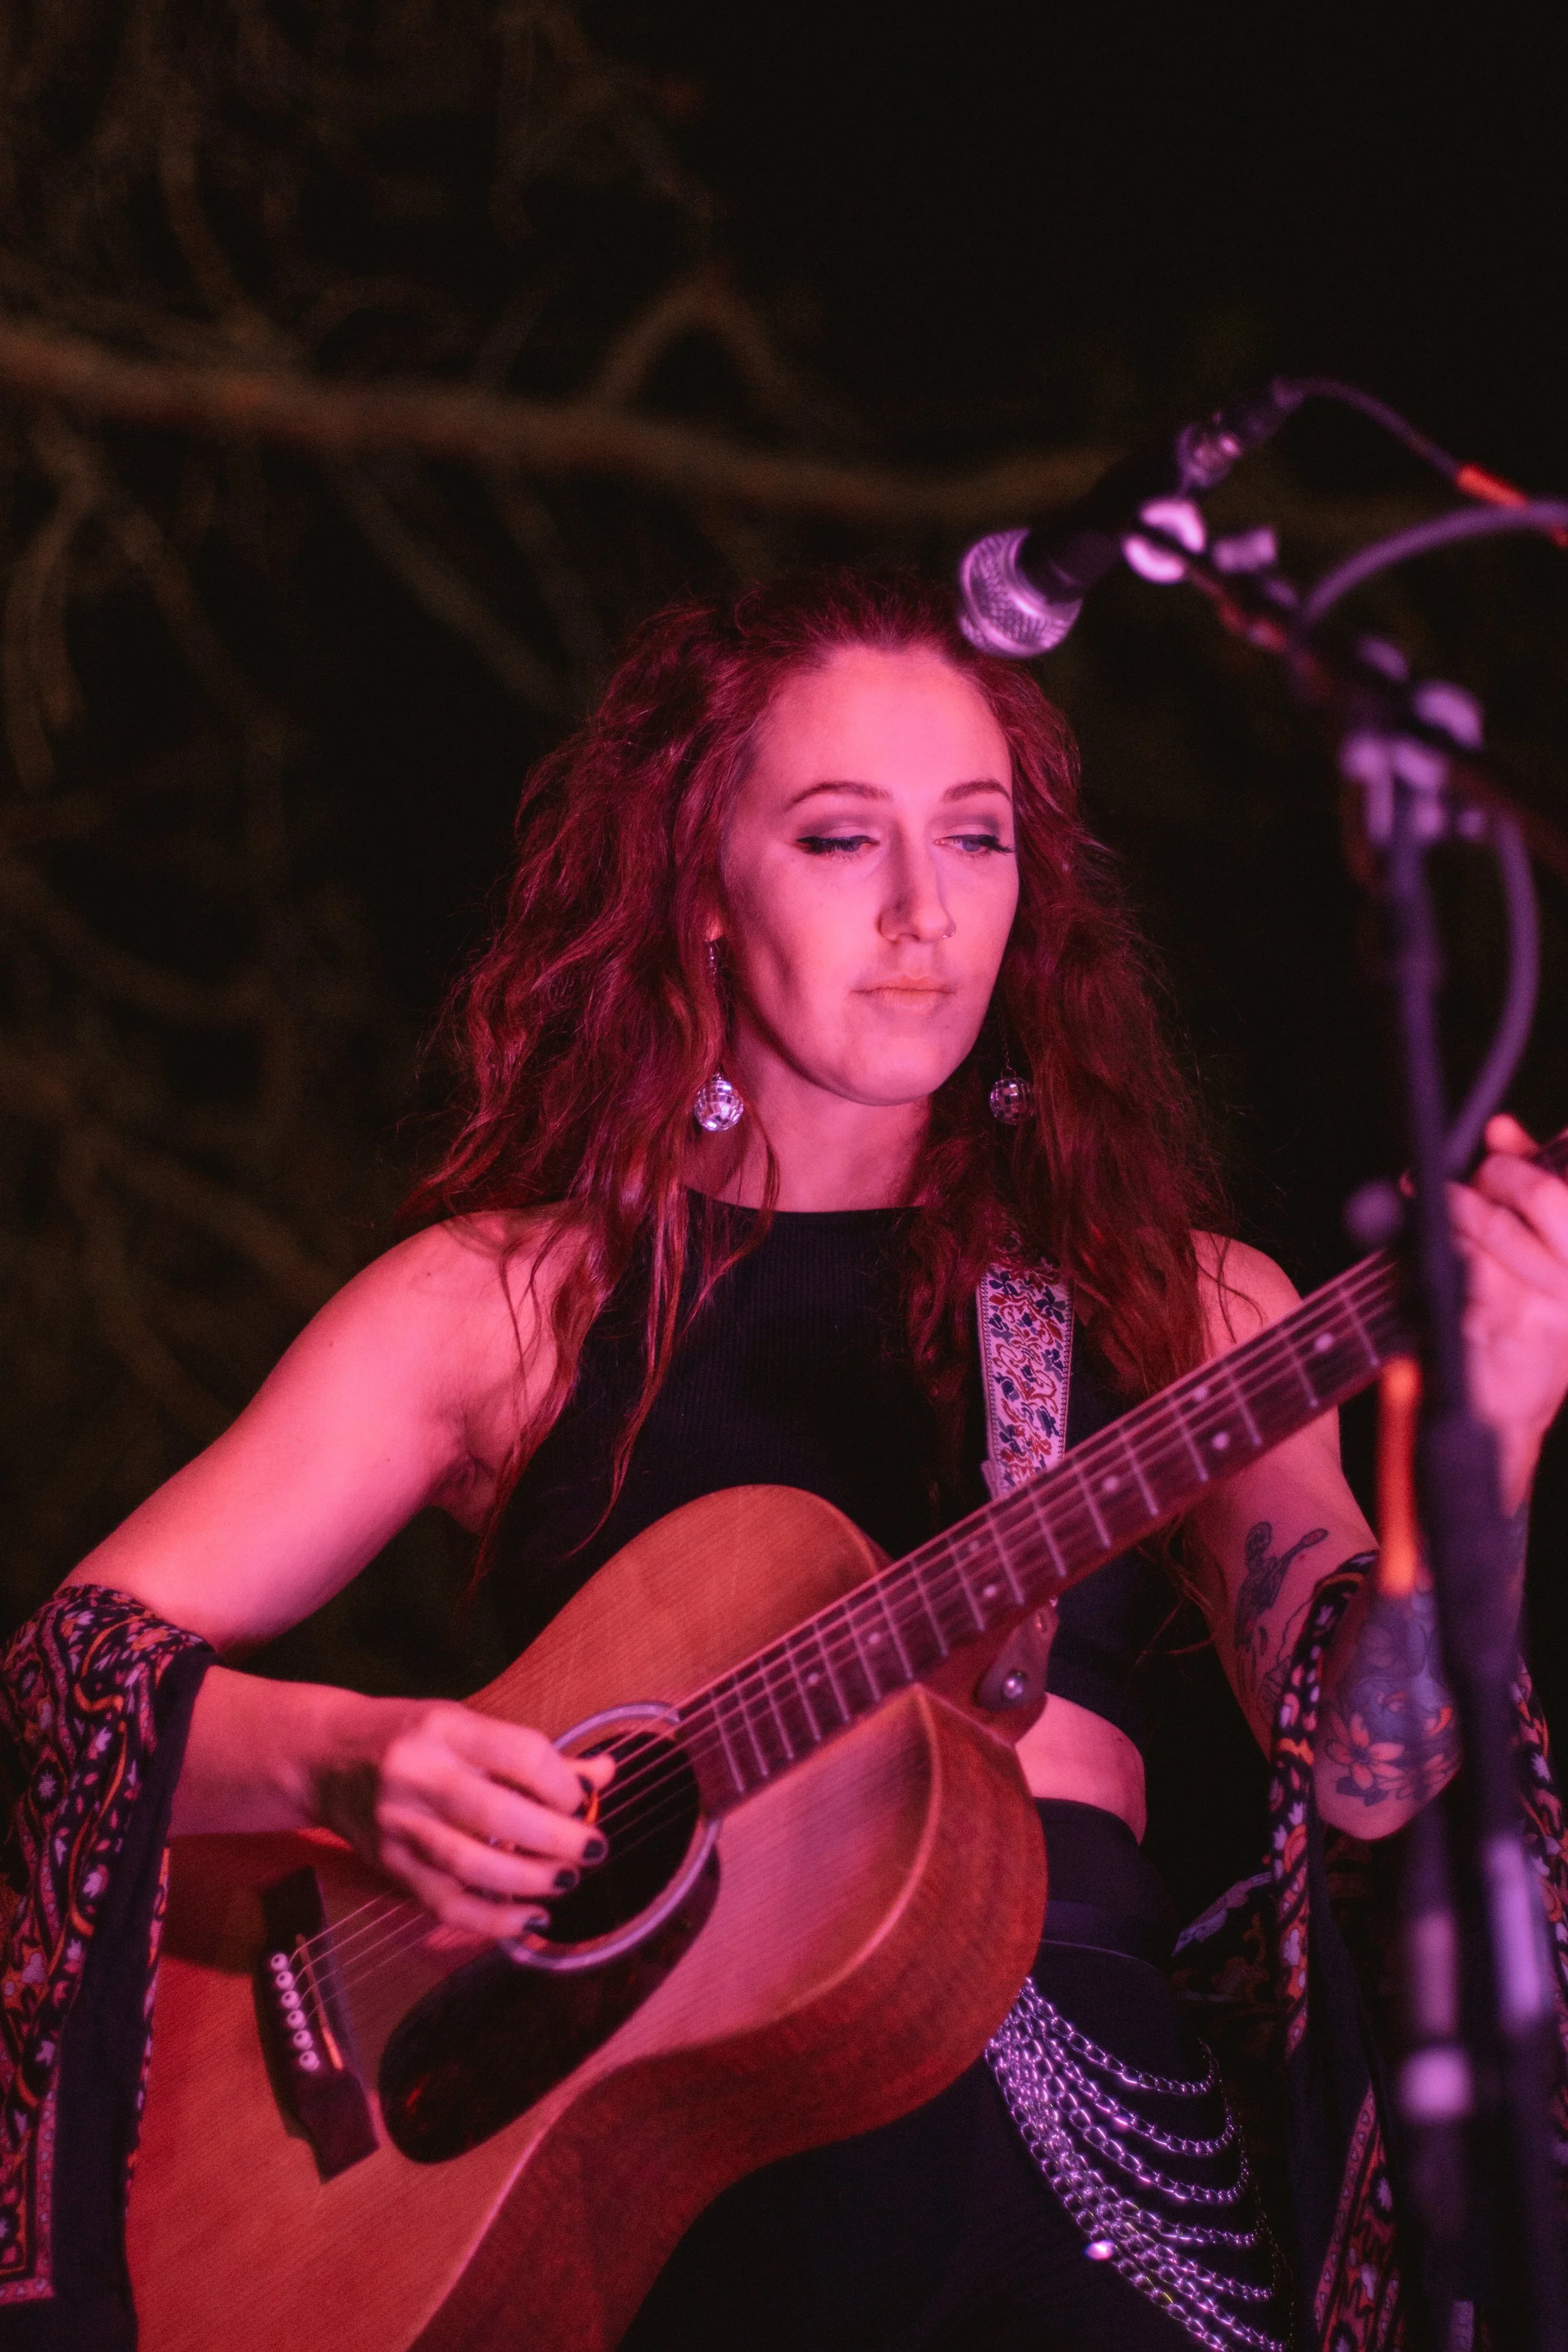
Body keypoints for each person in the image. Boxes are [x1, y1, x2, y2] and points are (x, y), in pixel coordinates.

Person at [60, 568, 1568, 2349]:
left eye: (980, 838)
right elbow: (65, 1683)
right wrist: (352, 1754)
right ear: (698, 887)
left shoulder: (1174, 1295)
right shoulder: (504, 1305)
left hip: (1070, 2140)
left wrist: (1477, 1475)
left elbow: (1374, 1778)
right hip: (640, 2177)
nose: (927, 912)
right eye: (844, 840)